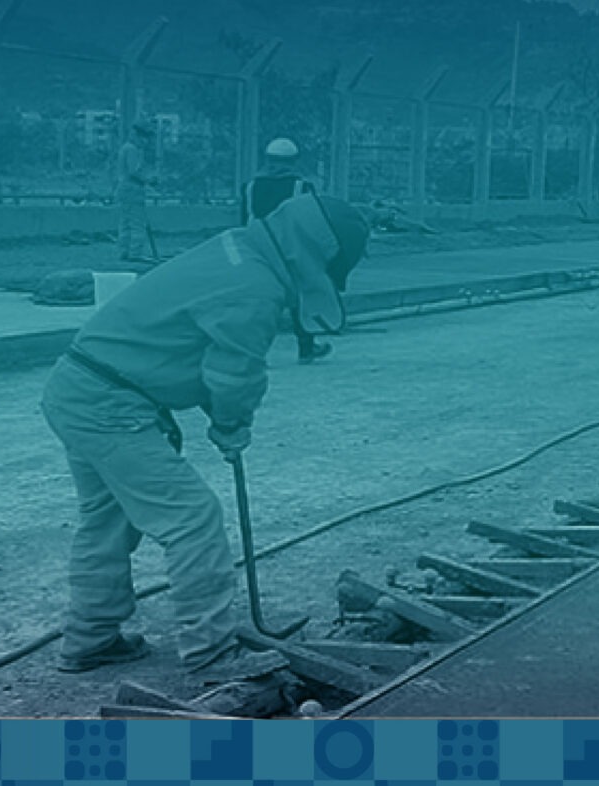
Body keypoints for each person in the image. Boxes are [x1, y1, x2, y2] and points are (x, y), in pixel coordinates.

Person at [41, 193, 372, 676]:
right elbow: (234, 374)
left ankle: (90, 637)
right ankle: (211, 650)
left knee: (107, 520)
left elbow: (192, 346)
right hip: (108, 402)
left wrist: (220, 413)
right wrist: (231, 425)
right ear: (317, 255)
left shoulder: (238, 246)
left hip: (78, 386)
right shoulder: (254, 287)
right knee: (192, 518)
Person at [242, 138, 337, 365]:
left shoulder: (250, 186)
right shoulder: (301, 187)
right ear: (294, 161)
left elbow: (243, 221)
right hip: (290, 250)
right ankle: (306, 348)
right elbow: (311, 221)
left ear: (267, 159)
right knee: (301, 298)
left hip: (258, 251)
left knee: (261, 302)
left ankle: (255, 352)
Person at [115, 125, 157, 262]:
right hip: (132, 190)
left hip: (124, 189)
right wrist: (149, 180)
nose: (146, 142)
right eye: (144, 138)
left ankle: (124, 251)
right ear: (138, 136)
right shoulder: (132, 150)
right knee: (137, 223)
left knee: (125, 223)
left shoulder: (125, 148)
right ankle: (136, 253)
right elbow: (134, 172)